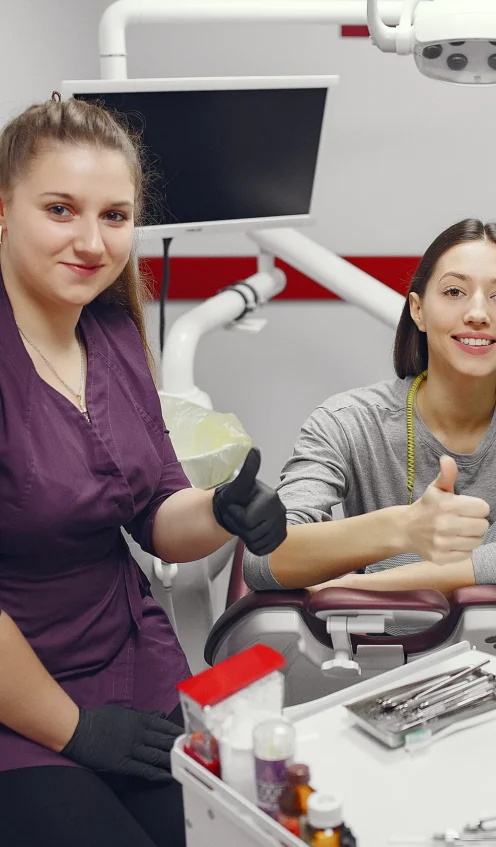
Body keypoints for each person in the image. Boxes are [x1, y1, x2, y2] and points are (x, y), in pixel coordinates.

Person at [0, 95, 287, 847]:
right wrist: (73, 729)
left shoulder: (114, 328)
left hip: (130, 661)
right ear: (3, 208)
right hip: (17, 695)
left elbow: (155, 505)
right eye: (60, 209)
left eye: (115, 216)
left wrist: (222, 511)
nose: (92, 241)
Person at [243, 217, 496, 723]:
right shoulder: (347, 421)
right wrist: (401, 529)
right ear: (418, 309)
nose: (479, 313)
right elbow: (265, 560)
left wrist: (363, 583)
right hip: (381, 637)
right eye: (455, 291)